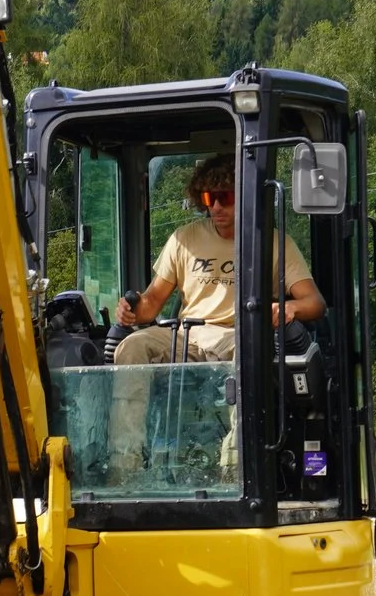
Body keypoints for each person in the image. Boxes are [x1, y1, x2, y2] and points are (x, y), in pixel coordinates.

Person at [105, 154, 321, 481]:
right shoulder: (184, 239)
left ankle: (234, 471)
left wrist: (291, 307)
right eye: (209, 198)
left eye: (226, 197)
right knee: (131, 348)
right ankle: (124, 468)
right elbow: (150, 304)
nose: (216, 207)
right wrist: (131, 311)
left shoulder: (273, 242)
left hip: (238, 335)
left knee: (248, 351)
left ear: (246, 196)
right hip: (187, 336)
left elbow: (314, 302)